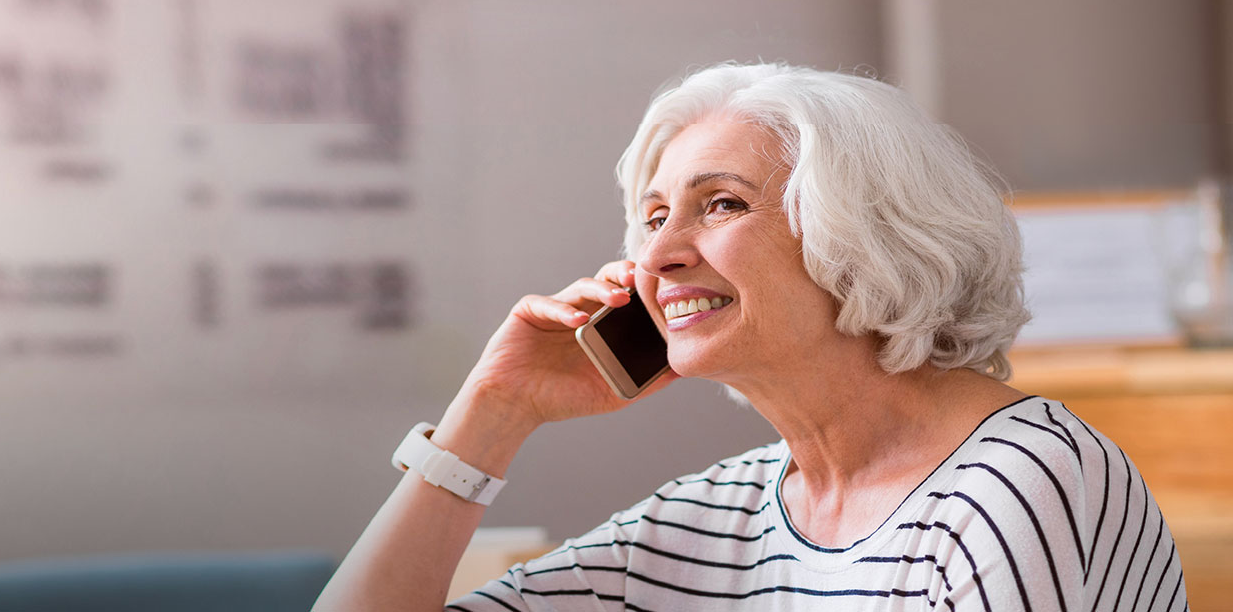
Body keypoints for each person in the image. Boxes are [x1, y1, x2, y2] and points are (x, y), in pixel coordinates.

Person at [313, 63, 1189, 611]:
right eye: (652, 217)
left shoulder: (1017, 485)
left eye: (720, 203)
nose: (657, 252)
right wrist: (490, 415)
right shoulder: (727, 512)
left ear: (865, 232)